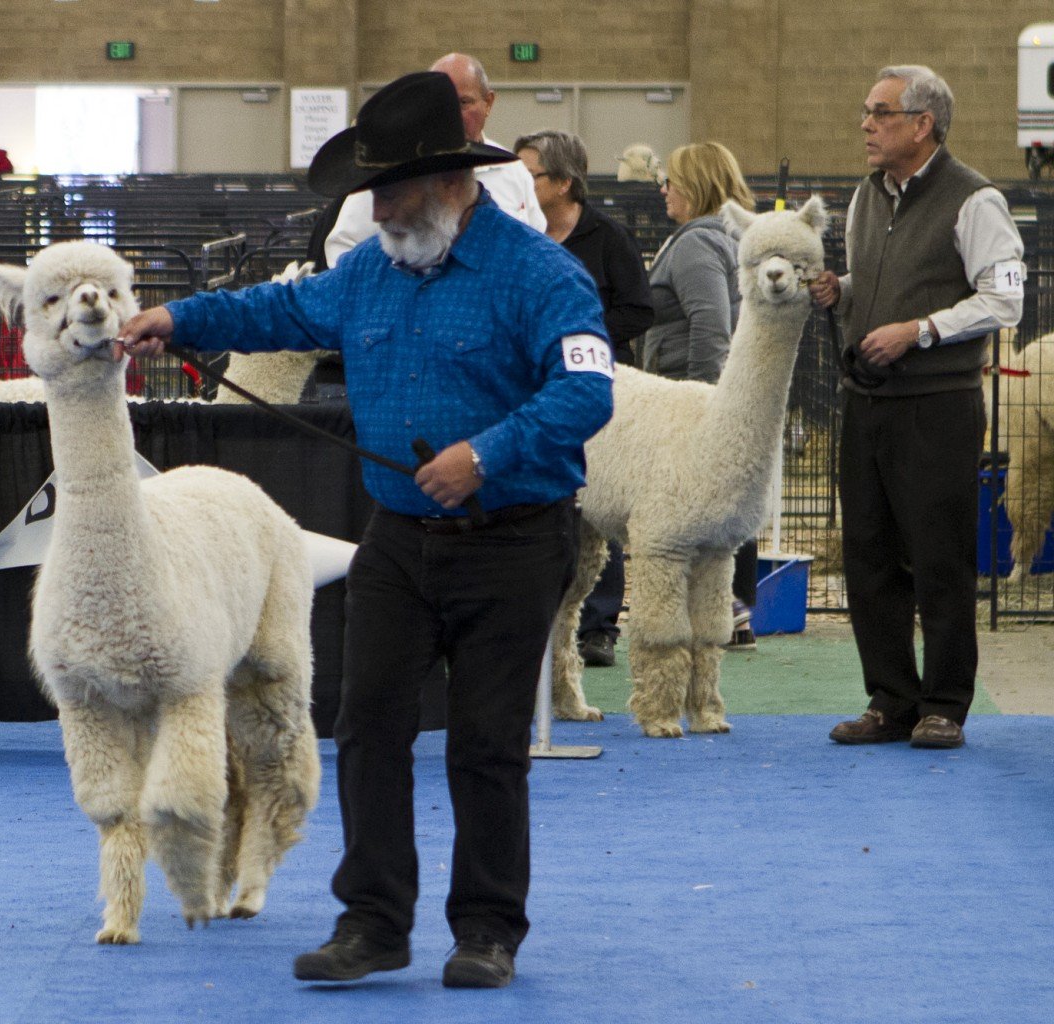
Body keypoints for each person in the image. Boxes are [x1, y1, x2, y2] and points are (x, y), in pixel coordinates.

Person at [117, 72, 613, 990]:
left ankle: (487, 931)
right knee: (367, 726)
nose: (374, 205)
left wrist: (487, 453)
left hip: (514, 537)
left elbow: (587, 390)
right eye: (370, 188)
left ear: (449, 179)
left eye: (389, 187)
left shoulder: (543, 274)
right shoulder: (368, 272)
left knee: (487, 743)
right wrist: (176, 318)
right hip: (402, 537)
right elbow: (279, 308)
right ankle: (374, 923)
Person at [811, 65, 1024, 751]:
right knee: (867, 555)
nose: (866, 124)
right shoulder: (866, 197)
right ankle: (891, 701)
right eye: (866, 112)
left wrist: (920, 330)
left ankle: (945, 705)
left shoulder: (976, 200)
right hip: (866, 401)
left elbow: (1003, 299)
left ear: (922, 123)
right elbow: (882, 276)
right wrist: (841, 290)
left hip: (937, 407)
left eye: (879, 112)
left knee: (939, 558)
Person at [517, 130, 652, 668]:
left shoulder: (607, 238)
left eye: (531, 176)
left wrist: (580, 337)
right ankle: (540, 624)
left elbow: (639, 310)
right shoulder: (519, 236)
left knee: (600, 507)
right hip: (530, 389)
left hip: (596, 389)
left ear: (565, 183)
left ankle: (599, 626)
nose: (521, 186)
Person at [641, 141, 760, 648]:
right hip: (726, 397)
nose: (664, 190)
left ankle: (723, 611)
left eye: (671, 180)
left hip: (685, 402)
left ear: (694, 187)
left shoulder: (694, 244)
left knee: (689, 513)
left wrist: (699, 408)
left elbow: (711, 325)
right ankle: (731, 610)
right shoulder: (734, 238)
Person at [321, 53, 545, 268]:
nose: (453, 117)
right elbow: (343, 248)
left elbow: (537, 244)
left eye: (463, 102)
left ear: (488, 103)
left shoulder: (513, 171)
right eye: (441, 108)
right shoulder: (394, 169)